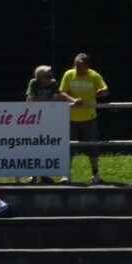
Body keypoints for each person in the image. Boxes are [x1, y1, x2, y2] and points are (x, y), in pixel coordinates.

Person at [59, 52, 110, 183]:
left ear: (87, 66)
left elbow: (105, 88)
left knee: (92, 146)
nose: (78, 69)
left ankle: (95, 174)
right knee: (69, 147)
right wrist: (73, 100)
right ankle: (66, 175)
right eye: (76, 66)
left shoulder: (94, 75)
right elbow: (62, 92)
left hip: (89, 117)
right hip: (71, 117)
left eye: (80, 67)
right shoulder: (69, 74)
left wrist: (102, 92)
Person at [24, 65, 75, 181]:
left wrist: (45, 104)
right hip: (34, 119)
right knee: (34, 146)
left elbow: (57, 97)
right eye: (48, 75)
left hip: (49, 120)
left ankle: (45, 174)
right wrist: (47, 103)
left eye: (51, 74)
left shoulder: (53, 83)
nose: (51, 77)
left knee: (46, 146)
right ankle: (32, 174)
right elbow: (30, 99)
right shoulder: (33, 83)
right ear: (40, 76)